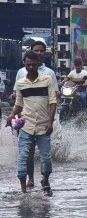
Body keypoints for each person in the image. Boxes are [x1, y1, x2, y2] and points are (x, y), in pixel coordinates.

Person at [10, 41, 59, 189]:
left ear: (39, 61)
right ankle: (26, 184)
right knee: (25, 156)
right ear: (24, 63)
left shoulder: (49, 76)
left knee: (46, 158)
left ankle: (45, 179)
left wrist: (50, 121)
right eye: (36, 51)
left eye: (41, 51)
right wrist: (12, 115)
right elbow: (18, 101)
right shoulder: (20, 78)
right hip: (26, 123)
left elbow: (53, 100)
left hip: (45, 122)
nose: (31, 67)